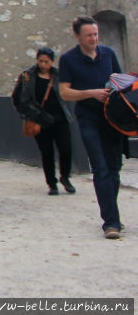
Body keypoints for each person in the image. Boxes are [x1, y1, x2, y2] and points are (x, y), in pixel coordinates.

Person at [57, 16, 124, 239]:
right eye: (89, 35)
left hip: (112, 118)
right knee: (100, 168)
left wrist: (115, 83)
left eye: (96, 34)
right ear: (77, 36)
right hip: (88, 118)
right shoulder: (68, 60)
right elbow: (65, 92)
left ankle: (111, 214)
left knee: (114, 169)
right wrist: (92, 93)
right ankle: (111, 223)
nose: (94, 38)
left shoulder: (109, 54)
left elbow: (119, 80)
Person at [12, 46, 73, 196]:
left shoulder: (58, 75)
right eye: (40, 61)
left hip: (59, 119)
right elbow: (19, 99)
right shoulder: (28, 76)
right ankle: (52, 184)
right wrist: (36, 115)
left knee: (66, 150)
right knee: (47, 153)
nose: (43, 65)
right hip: (40, 120)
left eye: (46, 62)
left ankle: (65, 177)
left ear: (52, 62)